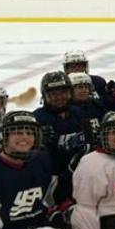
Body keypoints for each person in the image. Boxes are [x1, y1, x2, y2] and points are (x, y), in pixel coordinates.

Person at [34, 71, 89, 204]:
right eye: (53, 94)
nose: (59, 97)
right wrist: (39, 144)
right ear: (45, 96)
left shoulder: (79, 113)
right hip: (51, 180)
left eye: (63, 92)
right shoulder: (36, 119)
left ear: (70, 93)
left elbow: (90, 142)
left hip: (81, 175)